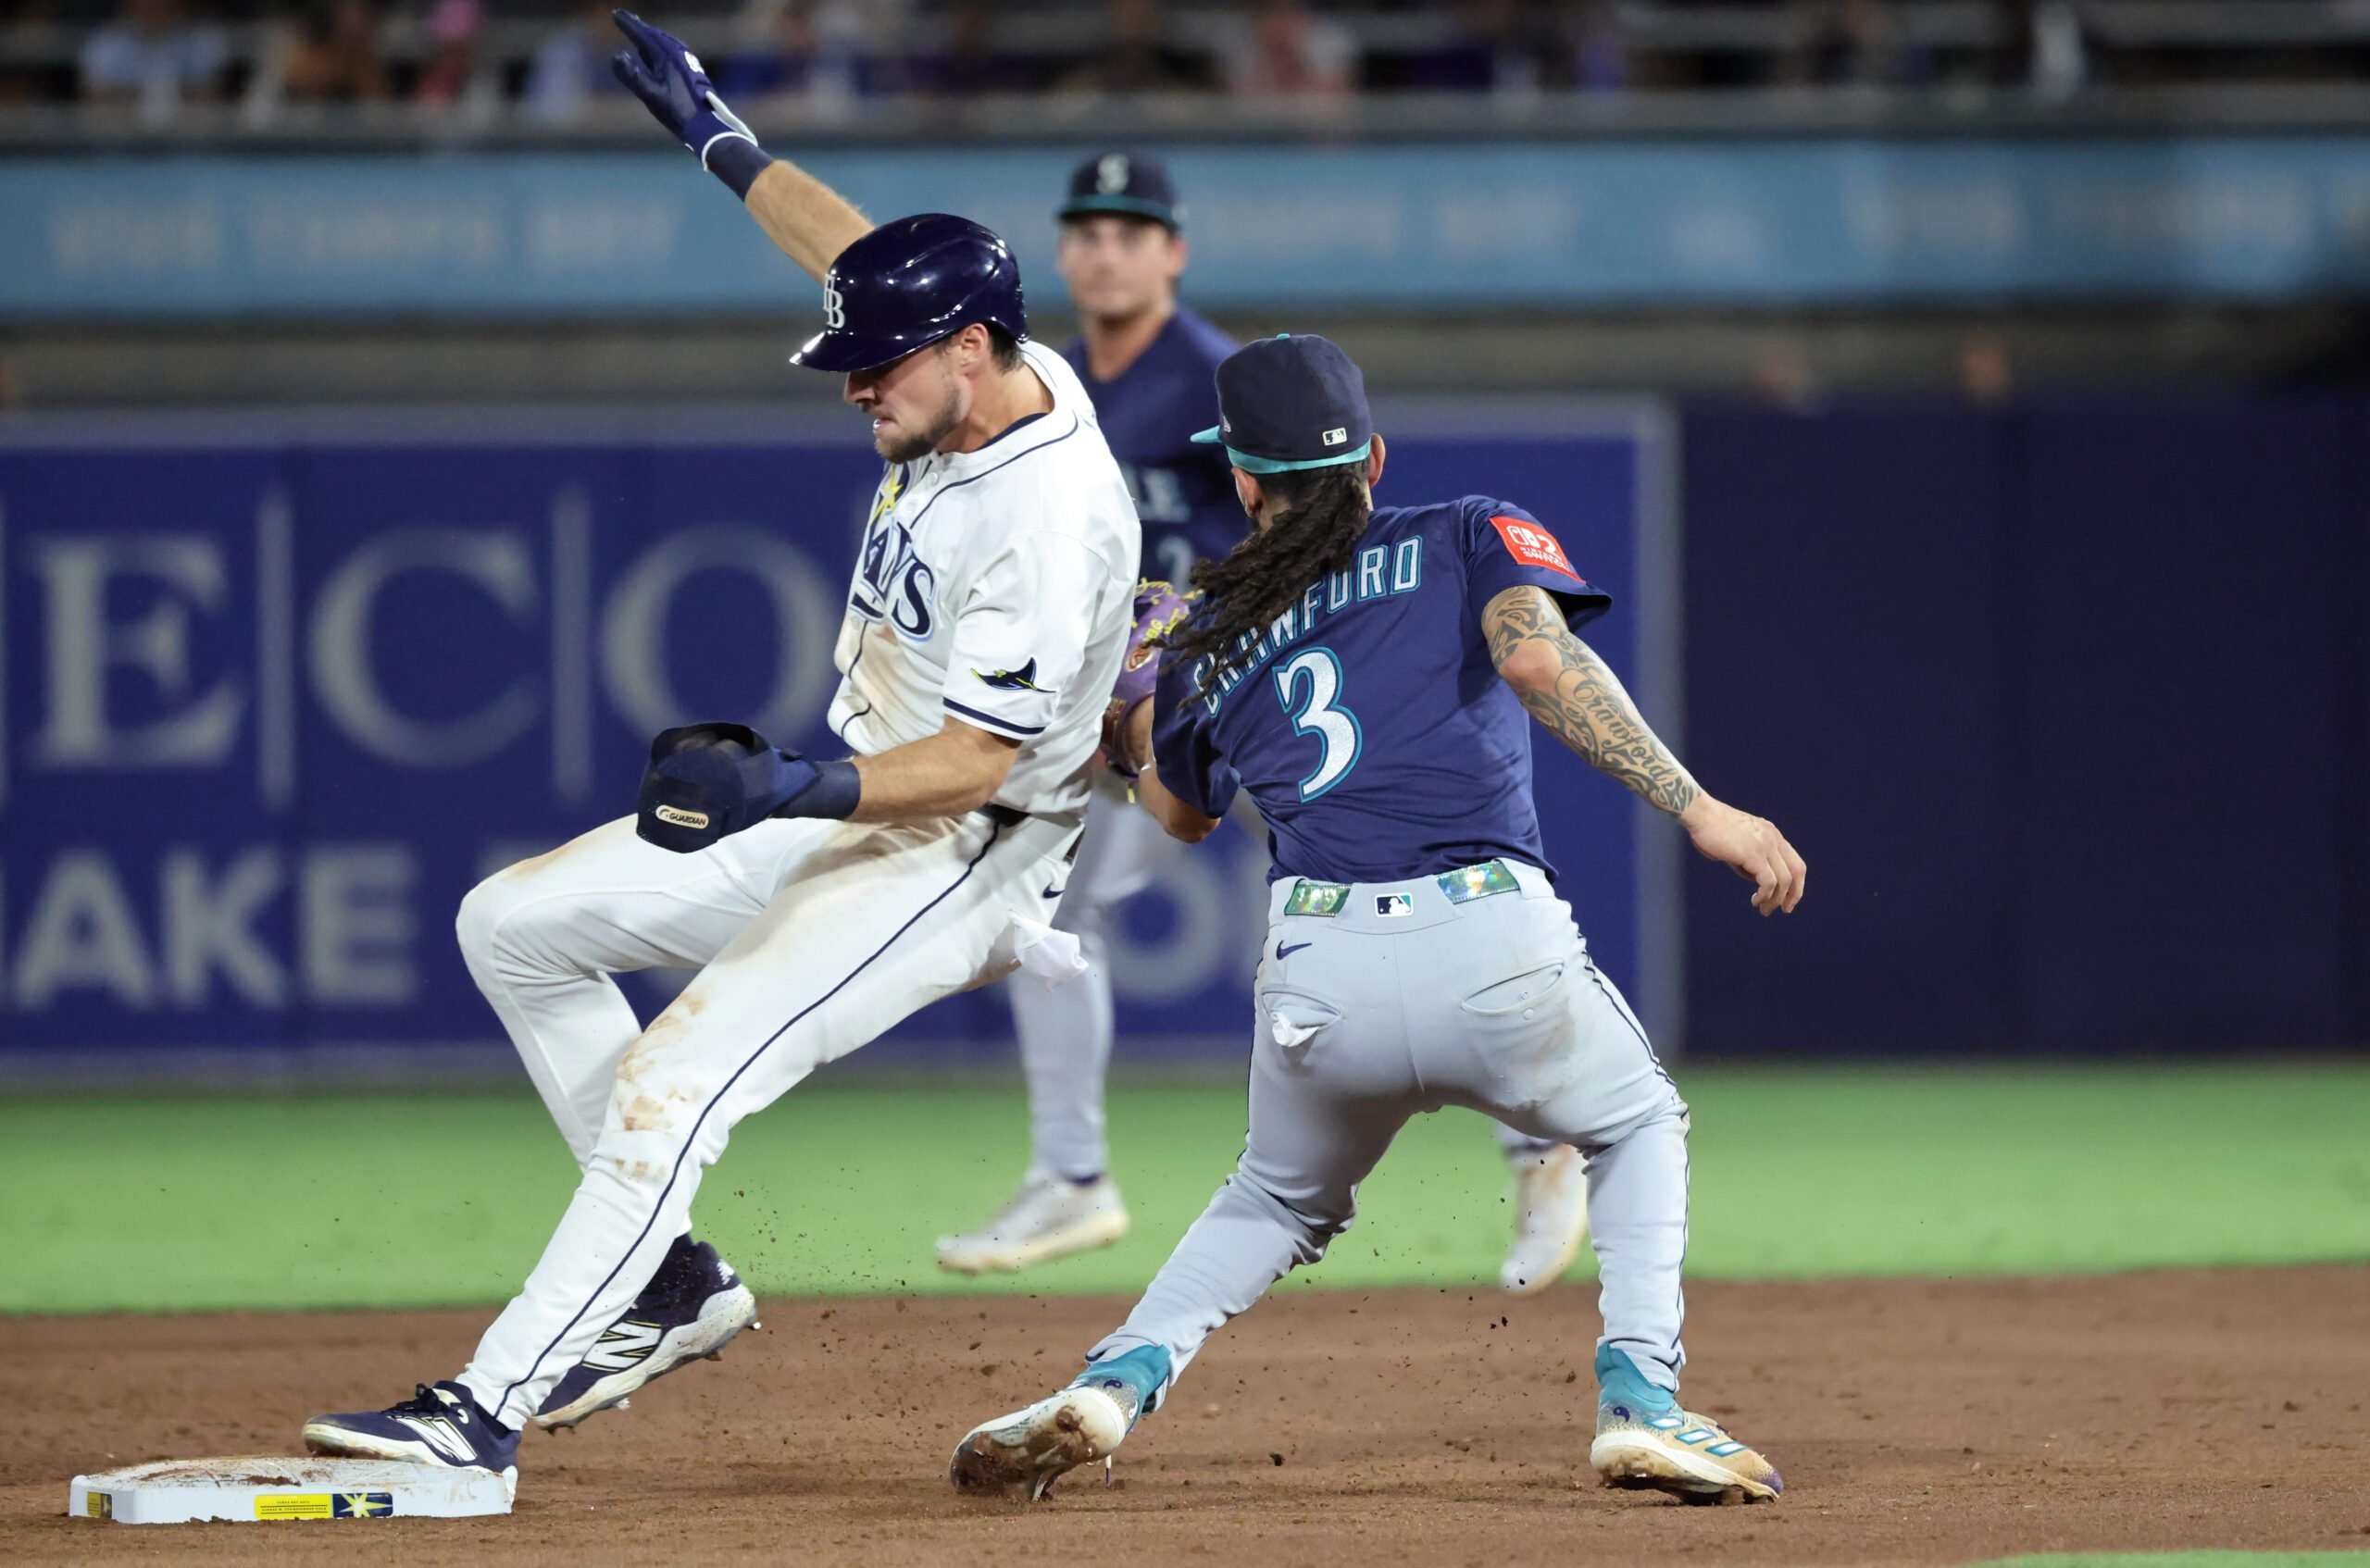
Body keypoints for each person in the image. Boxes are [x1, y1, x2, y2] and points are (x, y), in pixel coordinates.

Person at [300, 10, 1139, 1484]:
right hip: (861, 806)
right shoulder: (985, 352)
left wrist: (796, 788)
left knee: (674, 1082)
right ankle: (673, 1280)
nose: (853, 387)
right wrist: (717, 135)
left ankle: (484, 1415)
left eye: (877, 366)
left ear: (964, 347)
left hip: (957, 852)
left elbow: (980, 763)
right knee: (512, 923)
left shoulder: (1046, 509)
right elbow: (855, 246)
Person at [948, 332, 1805, 1505]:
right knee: (1636, 1122)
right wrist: (1698, 806)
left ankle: (1119, 1376)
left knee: (1271, 1197)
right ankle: (1640, 1401)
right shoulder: (1463, 529)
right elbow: (1542, 665)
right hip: (1491, 942)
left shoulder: (1208, 632)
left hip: (1318, 971)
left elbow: (1175, 813)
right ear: (1374, 458)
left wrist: (1128, 719)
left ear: (1242, 483)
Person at [934, 153, 1597, 1299]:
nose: (1106, 249)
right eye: (1086, 229)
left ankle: (1544, 1137)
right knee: (1051, 906)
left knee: (1406, 884)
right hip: (1175, 684)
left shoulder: (1212, 374)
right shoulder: (1051, 378)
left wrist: (1168, 640)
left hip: (1266, 673)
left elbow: (1328, 512)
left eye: (1132, 229)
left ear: (1173, 252)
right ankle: (1072, 1172)